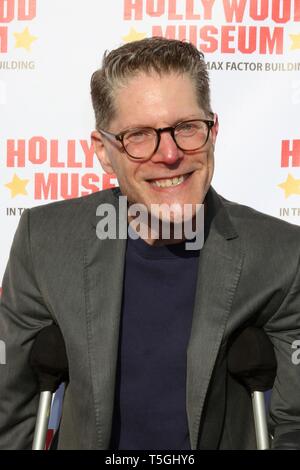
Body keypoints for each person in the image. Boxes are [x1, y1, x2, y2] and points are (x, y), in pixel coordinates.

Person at [0, 37, 300, 450]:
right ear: (105, 152)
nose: (170, 154)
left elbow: (294, 427)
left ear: (213, 132)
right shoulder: (45, 242)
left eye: (187, 128)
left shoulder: (281, 255)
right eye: (139, 135)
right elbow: (8, 411)